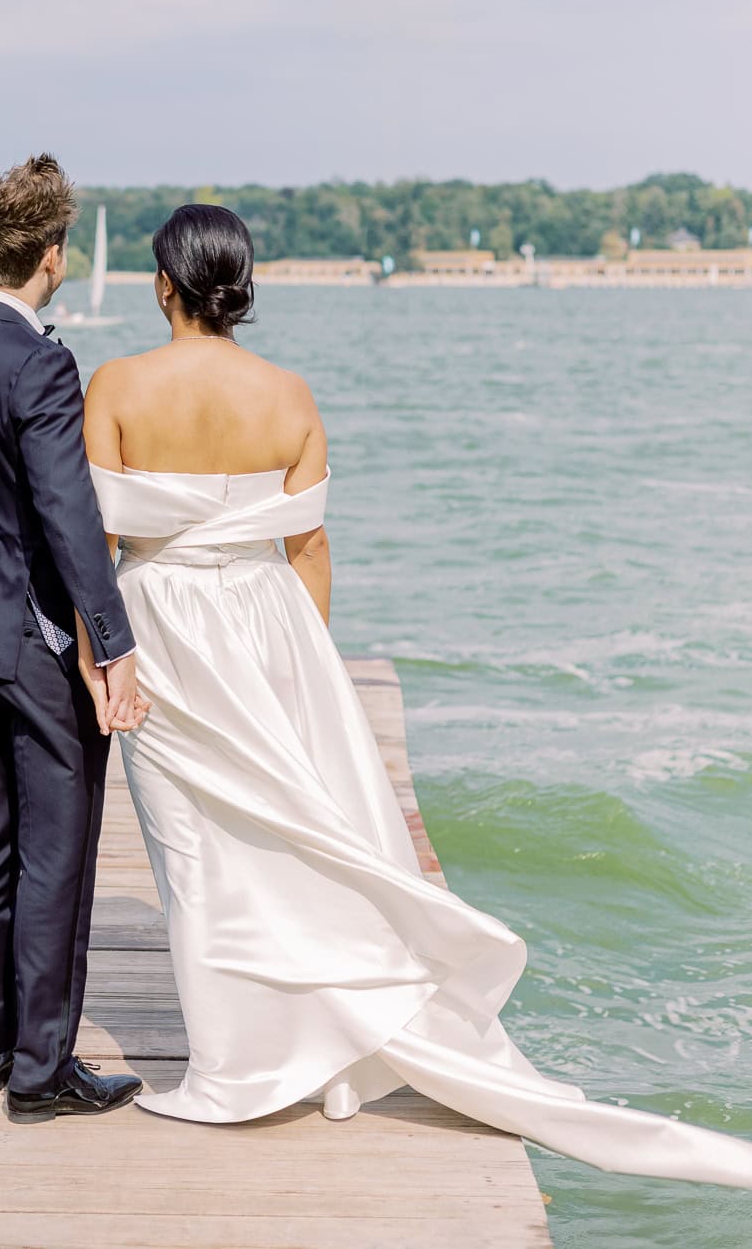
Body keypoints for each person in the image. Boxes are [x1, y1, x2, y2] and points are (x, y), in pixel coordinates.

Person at [82, 202, 752, 1185]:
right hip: (268, 623)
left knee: (195, 852)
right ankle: (335, 1060)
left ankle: (237, 1071)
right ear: (241, 285)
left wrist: (104, 660)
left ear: (163, 284)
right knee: (303, 843)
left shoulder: (118, 383)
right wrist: (298, 662)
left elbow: (94, 545)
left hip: (162, 627)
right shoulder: (291, 395)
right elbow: (307, 549)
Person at [0, 153, 147, 1123]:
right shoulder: (41, 362)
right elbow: (68, 517)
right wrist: (112, 643)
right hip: (39, 645)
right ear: (51, 258)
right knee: (57, 852)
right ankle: (44, 1070)